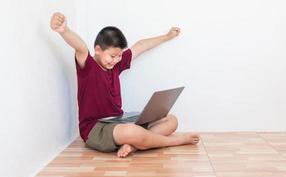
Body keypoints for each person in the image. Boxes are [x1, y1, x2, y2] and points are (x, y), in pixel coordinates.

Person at [50, 12, 200, 158]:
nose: (116, 60)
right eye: (112, 56)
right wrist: (65, 30)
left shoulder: (116, 65)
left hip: (119, 121)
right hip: (95, 128)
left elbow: (141, 46)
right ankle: (174, 141)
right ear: (97, 50)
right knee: (132, 132)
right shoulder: (88, 67)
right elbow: (80, 47)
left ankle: (133, 145)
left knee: (171, 120)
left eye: (119, 55)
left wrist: (167, 36)